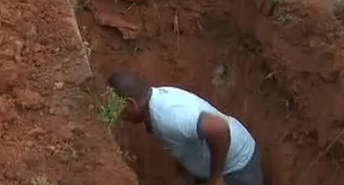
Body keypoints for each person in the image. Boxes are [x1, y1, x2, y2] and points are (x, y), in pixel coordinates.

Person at [108, 71, 263, 185]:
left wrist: (216, 178)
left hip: (237, 167)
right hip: (215, 165)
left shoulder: (168, 116)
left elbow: (219, 128)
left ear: (130, 104)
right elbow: (185, 138)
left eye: (117, 109)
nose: (119, 116)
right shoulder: (154, 105)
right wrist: (184, 171)